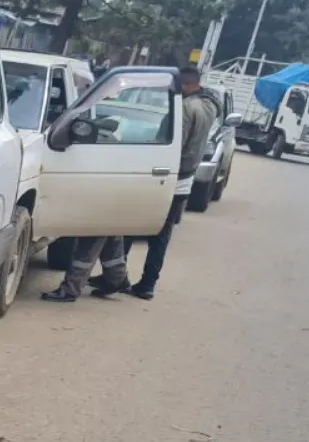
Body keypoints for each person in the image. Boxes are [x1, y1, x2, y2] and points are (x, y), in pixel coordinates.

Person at [41, 64, 223, 303]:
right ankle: (116, 278)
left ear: (187, 85)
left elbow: (173, 148)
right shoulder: (209, 106)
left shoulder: (187, 108)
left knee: (102, 227)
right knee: (117, 229)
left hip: (168, 179)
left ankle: (86, 286)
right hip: (180, 181)